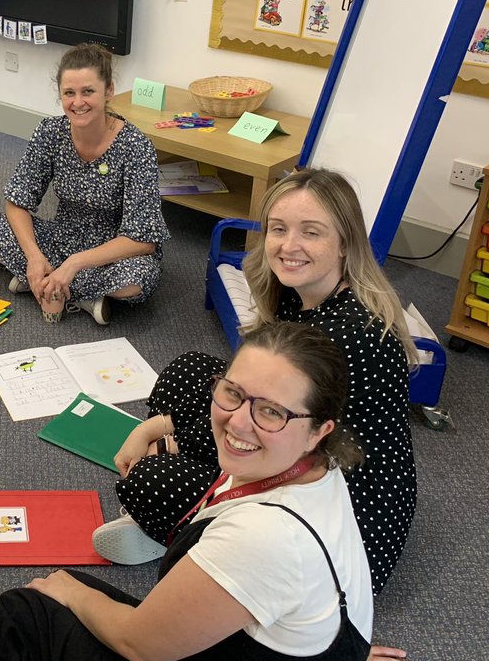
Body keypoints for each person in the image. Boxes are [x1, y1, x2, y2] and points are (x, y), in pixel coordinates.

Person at [0, 322, 373, 661]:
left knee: (22, 616)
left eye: (271, 412)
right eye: (232, 393)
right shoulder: (315, 469)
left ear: (319, 430)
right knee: (70, 597)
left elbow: (137, 645)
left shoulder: (266, 536)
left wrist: (71, 592)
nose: (237, 421)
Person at [98, 169, 418, 604]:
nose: (289, 246)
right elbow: (253, 400)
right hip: (292, 441)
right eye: (279, 229)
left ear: (345, 242)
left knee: (150, 482)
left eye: (311, 232)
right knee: (189, 371)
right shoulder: (302, 290)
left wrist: (153, 430)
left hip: (337, 508)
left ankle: (180, 514)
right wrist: (167, 426)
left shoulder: (346, 336)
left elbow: (270, 429)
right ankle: (187, 505)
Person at [0, 43, 169, 325]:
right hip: (60, 238)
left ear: (108, 91)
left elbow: (144, 241)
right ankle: (70, 289)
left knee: (137, 280)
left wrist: (73, 265)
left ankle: (47, 285)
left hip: (112, 252)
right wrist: (35, 256)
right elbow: (17, 202)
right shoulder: (50, 132)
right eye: (69, 93)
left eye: (88, 91)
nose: (78, 102)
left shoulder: (136, 146)